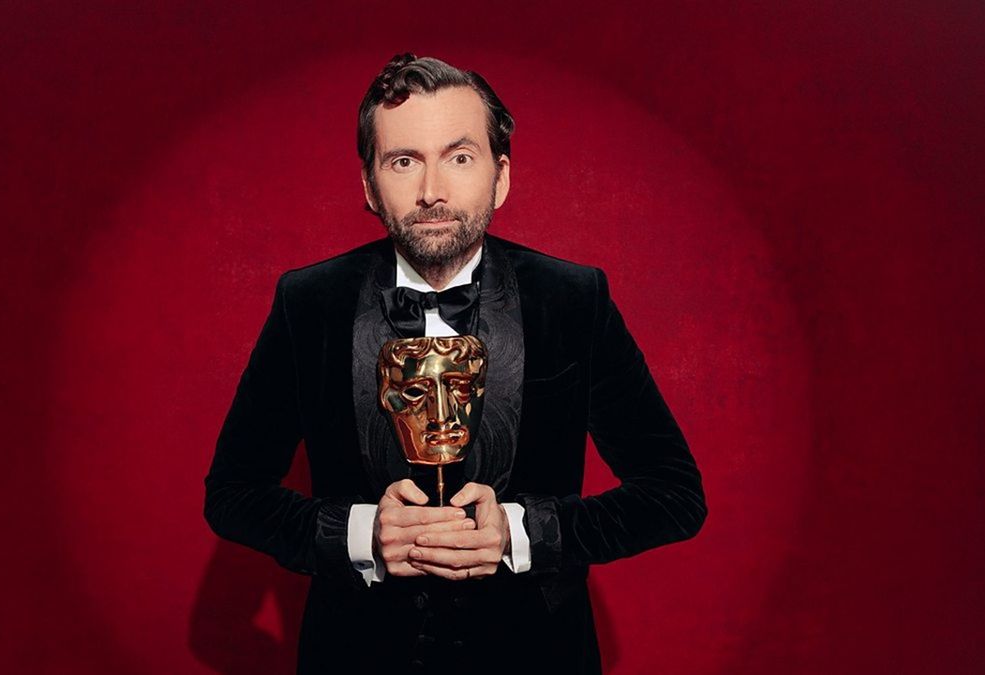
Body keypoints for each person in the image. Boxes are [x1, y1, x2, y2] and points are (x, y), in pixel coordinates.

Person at [203, 53, 707, 675]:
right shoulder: (308, 303)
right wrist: (360, 535)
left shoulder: (574, 299)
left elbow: (674, 496)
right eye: (404, 160)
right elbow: (232, 495)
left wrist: (521, 534)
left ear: (500, 177)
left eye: (459, 157)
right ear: (368, 185)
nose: (432, 190)